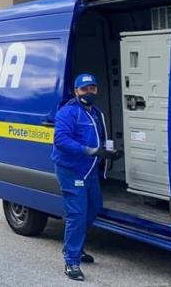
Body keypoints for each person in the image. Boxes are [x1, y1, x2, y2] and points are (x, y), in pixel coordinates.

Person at [52, 74, 123, 281]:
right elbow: (61, 140)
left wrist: (109, 153)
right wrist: (90, 151)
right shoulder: (68, 112)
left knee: (94, 207)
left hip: (89, 170)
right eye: (84, 89)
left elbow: (100, 139)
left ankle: (77, 246)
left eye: (92, 88)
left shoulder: (96, 113)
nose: (89, 92)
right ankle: (71, 261)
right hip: (71, 169)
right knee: (77, 213)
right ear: (76, 91)